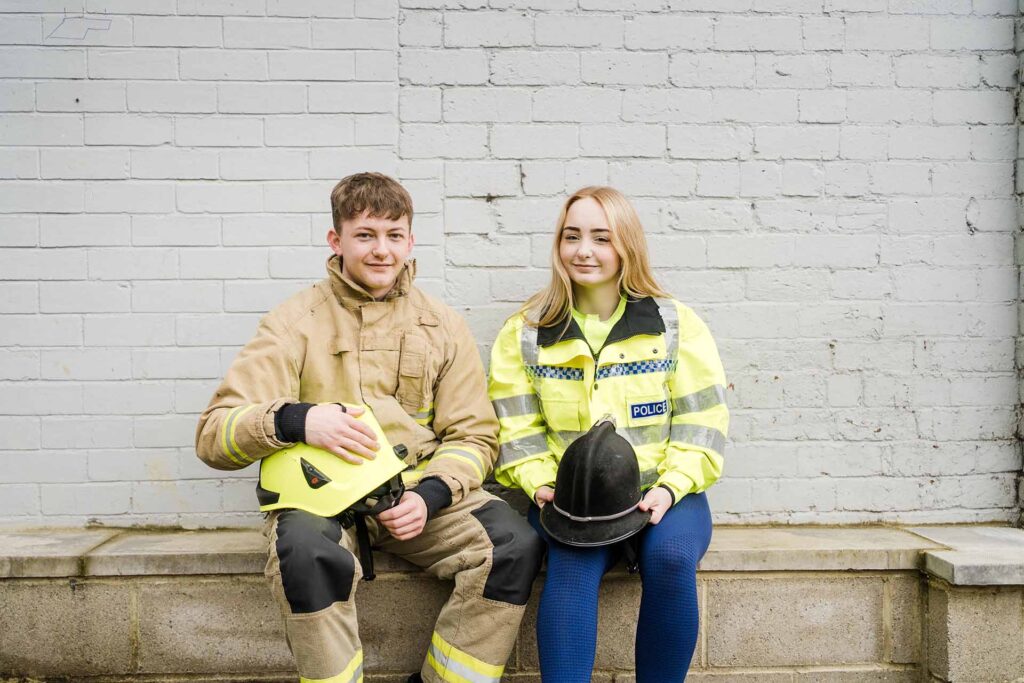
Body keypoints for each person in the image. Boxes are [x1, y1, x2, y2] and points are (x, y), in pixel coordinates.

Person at [195, 172, 544, 683]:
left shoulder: (443, 325)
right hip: (324, 500)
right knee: (304, 553)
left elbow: (475, 437)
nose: (381, 251)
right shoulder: (293, 323)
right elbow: (214, 434)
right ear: (336, 240)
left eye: (393, 235)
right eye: (365, 235)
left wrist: (431, 495)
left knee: (514, 545)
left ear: (410, 240)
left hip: (416, 499)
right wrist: (298, 419)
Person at [488, 186, 729, 682]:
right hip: (573, 499)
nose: (584, 250)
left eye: (602, 237)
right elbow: (515, 429)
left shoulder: (673, 324)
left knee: (672, 559)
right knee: (571, 575)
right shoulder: (526, 332)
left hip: (663, 489)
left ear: (627, 246)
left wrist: (671, 486)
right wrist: (539, 485)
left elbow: (702, 425)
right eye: (571, 236)